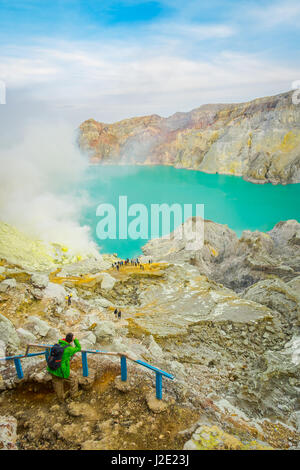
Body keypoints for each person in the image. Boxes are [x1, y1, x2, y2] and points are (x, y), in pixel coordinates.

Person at [47, 333, 81, 401]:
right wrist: (75, 339)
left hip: (52, 368)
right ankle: (74, 395)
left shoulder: (58, 344)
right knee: (74, 377)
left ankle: (60, 400)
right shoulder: (69, 349)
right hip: (61, 370)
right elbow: (78, 348)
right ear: (71, 340)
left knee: (57, 383)